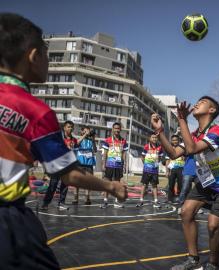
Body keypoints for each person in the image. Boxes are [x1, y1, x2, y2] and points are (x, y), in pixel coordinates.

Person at [0, 13, 127, 269]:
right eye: (48, 55)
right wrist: (112, 187)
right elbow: (70, 175)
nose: (49, 62)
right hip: (7, 222)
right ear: (34, 56)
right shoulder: (35, 111)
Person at [151, 96, 219, 270]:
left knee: (213, 225)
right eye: (198, 101)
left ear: (212, 110)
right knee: (185, 212)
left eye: (203, 102)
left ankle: (213, 264)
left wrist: (182, 119)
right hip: (207, 181)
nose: (197, 103)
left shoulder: (217, 131)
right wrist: (160, 131)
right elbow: (173, 154)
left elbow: (191, 149)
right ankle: (193, 259)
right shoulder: (193, 135)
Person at [41, 120, 78, 210]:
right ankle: (45, 203)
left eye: (72, 127)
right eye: (69, 126)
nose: (70, 128)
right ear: (64, 128)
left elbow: (75, 152)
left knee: (65, 185)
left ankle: (61, 203)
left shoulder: (74, 140)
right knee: (53, 185)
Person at [101, 122, 128, 208]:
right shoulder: (108, 140)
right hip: (109, 165)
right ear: (112, 129)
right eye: (115, 128)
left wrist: (124, 166)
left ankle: (117, 201)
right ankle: (105, 201)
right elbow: (105, 154)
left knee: (117, 183)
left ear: (120, 129)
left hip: (118, 165)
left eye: (118, 128)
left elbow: (124, 154)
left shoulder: (123, 141)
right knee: (107, 182)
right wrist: (103, 164)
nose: (117, 130)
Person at [73, 126, 97, 205]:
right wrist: (84, 135)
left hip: (89, 164)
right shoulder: (79, 139)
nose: (87, 132)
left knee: (88, 182)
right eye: (86, 131)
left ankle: (87, 198)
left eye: (88, 131)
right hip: (80, 163)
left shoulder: (90, 140)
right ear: (82, 132)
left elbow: (95, 150)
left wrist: (93, 139)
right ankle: (76, 197)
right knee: (77, 181)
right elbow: (77, 143)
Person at [139, 133, 164, 207]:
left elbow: (160, 157)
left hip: (155, 170)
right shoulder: (146, 146)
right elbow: (142, 157)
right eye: (153, 137)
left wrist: (156, 163)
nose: (154, 139)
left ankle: (156, 201)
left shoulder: (159, 147)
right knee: (144, 184)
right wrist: (146, 165)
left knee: (154, 185)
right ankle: (141, 200)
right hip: (147, 170)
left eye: (156, 137)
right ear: (150, 138)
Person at [165, 134, 185, 203]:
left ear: (179, 141)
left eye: (176, 140)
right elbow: (167, 161)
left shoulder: (182, 148)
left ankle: (180, 198)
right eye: (173, 140)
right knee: (171, 184)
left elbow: (185, 159)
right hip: (172, 169)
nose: (175, 141)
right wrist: (167, 171)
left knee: (181, 184)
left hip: (181, 168)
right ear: (171, 141)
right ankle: (170, 199)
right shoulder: (169, 149)